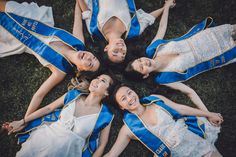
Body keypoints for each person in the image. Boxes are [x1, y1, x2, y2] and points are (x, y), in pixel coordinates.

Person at [0, 0, 100, 128]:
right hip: (35, 20)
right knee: (7, 6)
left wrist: (24, 121)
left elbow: (39, 95)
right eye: (93, 57)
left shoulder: (60, 70)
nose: (89, 57)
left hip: (19, 38)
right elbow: (77, 19)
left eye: (90, 64)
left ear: (80, 70)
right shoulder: (78, 42)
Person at [125, 1, 236, 112]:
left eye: (140, 60)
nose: (144, 62)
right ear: (145, 75)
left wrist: (166, 6)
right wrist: (208, 113)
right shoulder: (164, 78)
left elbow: (162, 28)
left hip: (206, 36)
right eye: (142, 67)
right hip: (218, 53)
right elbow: (189, 92)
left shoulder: (152, 49)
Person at [2, 74, 114, 157]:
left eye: (103, 81)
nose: (96, 80)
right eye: (97, 78)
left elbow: (102, 145)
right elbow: (48, 108)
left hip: (68, 152)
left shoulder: (106, 115)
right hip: (43, 141)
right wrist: (22, 121)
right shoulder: (73, 95)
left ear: (107, 93)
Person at [104, 85, 223, 157]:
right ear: (121, 107)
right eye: (123, 99)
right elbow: (112, 154)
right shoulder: (128, 129)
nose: (130, 98)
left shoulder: (155, 100)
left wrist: (209, 114)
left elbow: (180, 109)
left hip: (192, 139)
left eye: (129, 92)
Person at [76, 0, 176, 63]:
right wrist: (166, 6)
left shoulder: (94, 30)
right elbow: (149, 17)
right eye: (123, 53)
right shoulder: (134, 31)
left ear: (106, 48)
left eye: (115, 51)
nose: (121, 48)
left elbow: (86, 11)